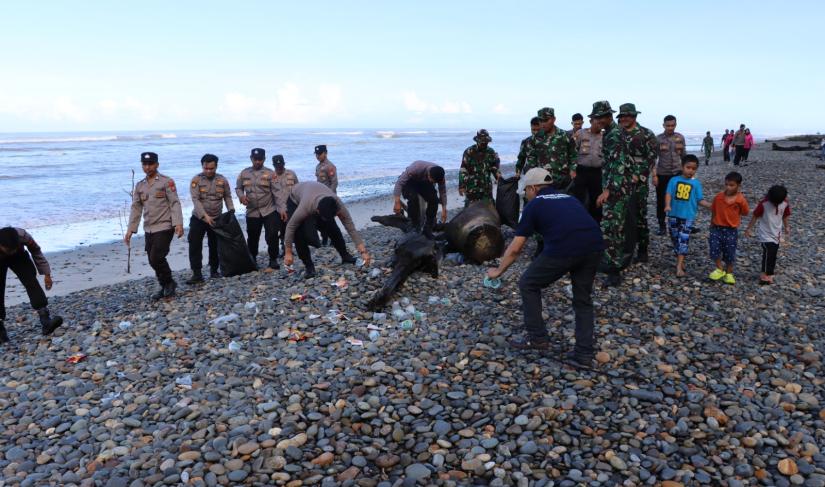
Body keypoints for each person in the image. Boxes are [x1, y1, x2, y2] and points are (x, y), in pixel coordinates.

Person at [486, 168, 604, 369]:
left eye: (526, 192)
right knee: (583, 300)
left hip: (564, 248)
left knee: (528, 284)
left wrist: (498, 271)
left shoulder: (535, 205)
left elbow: (515, 248)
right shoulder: (569, 198)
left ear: (533, 188)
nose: (526, 197)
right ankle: (584, 353)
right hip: (594, 246)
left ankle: (538, 338)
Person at [125, 152, 185, 299]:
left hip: (165, 226)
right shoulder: (140, 186)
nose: (147, 167)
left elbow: (175, 203)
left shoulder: (166, 182)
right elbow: (136, 208)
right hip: (149, 228)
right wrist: (130, 230)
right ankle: (165, 285)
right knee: (152, 259)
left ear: (157, 164)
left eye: (150, 164)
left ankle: (169, 283)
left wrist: (178, 223)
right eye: (144, 164)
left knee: (156, 257)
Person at [283, 182, 371, 278]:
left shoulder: (337, 204)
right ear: (317, 211)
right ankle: (309, 266)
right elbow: (290, 227)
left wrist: (363, 252)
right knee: (298, 234)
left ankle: (345, 256)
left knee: (332, 227)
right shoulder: (305, 207)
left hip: (314, 192)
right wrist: (288, 252)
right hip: (294, 199)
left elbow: (350, 227)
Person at [592, 100, 633, 287]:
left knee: (611, 228)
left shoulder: (614, 135)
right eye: (596, 117)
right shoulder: (610, 133)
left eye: (601, 117)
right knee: (614, 226)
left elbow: (618, 164)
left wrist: (607, 191)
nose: (598, 120)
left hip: (616, 189)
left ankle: (613, 270)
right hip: (616, 186)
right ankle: (613, 262)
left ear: (609, 116)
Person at [0, 227, 63, 343]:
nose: (11, 252)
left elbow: (36, 251)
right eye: (9, 250)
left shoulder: (23, 236)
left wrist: (47, 274)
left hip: (19, 257)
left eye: (13, 249)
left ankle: (46, 320)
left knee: (31, 281)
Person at [617, 103, 657, 264]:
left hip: (637, 183)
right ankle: (623, 248)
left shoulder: (646, 134)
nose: (625, 118)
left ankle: (642, 249)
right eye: (622, 116)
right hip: (618, 181)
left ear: (635, 116)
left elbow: (651, 158)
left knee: (639, 216)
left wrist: (638, 175)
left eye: (628, 115)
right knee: (620, 216)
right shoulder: (615, 133)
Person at [187, 153, 234, 283]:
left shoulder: (222, 180)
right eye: (206, 168)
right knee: (195, 244)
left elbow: (228, 196)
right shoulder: (196, 180)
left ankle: (214, 270)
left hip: (216, 218)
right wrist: (204, 216)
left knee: (215, 245)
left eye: (211, 169)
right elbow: (195, 200)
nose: (208, 171)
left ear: (216, 167)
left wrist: (231, 210)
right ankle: (197, 273)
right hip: (199, 218)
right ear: (202, 166)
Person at [235, 148, 284, 270]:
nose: (257, 162)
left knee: (272, 235)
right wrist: (241, 197)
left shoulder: (270, 173)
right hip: (252, 212)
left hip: (269, 209)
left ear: (264, 159)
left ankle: (273, 259)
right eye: (255, 159)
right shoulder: (244, 173)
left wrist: (282, 209)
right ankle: (253, 258)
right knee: (252, 237)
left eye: (260, 159)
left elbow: (277, 192)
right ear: (251, 158)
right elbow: (238, 188)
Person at [664, 155, 712, 277]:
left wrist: (711, 206)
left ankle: (679, 266)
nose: (690, 170)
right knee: (675, 238)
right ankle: (679, 257)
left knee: (683, 239)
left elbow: (700, 200)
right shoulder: (673, 180)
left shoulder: (696, 183)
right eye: (688, 167)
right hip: (673, 214)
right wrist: (667, 205)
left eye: (693, 168)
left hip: (688, 216)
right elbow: (668, 193)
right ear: (682, 166)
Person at [708, 172, 749, 285]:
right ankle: (719, 269)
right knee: (714, 248)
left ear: (738, 186)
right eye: (726, 184)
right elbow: (714, 211)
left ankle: (729, 273)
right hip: (716, 228)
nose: (728, 187)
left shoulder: (740, 200)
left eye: (731, 185)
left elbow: (745, 212)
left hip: (731, 230)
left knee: (730, 252)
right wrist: (711, 223)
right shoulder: (718, 197)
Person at [744, 185, 791, 285]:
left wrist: (787, 227)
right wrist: (749, 228)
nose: (775, 204)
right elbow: (755, 216)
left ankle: (769, 272)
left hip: (777, 233)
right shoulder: (764, 204)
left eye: (777, 203)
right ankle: (764, 274)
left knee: (773, 254)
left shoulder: (784, 203)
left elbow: (785, 216)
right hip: (765, 234)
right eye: (773, 202)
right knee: (768, 252)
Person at [523, 107, 577, 189]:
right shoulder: (534, 139)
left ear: (554, 119)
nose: (543, 124)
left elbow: (574, 155)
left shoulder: (565, 136)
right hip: (542, 181)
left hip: (563, 180)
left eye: (546, 120)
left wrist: (573, 170)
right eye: (541, 121)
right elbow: (531, 161)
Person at [393, 161, 447, 237]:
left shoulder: (440, 176)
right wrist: (397, 202)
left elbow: (443, 192)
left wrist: (444, 209)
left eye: (435, 182)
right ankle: (413, 226)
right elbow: (399, 183)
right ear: (428, 174)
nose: (433, 182)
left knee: (434, 200)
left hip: (424, 183)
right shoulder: (415, 168)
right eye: (432, 180)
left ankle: (428, 228)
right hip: (410, 182)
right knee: (413, 198)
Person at [654, 115, 687, 235]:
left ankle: (680, 224)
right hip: (662, 174)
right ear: (663, 125)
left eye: (672, 125)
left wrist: (688, 173)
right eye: (668, 125)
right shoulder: (658, 139)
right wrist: (654, 176)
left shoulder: (680, 138)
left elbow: (684, 156)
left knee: (680, 199)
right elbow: (653, 159)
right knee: (661, 201)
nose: (670, 128)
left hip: (677, 173)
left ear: (675, 125)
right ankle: (662, 226)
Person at [572, 117, 603, 221]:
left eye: (601, 122)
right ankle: (578, 220)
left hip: (597, 172)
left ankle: (595, 223)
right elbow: (572, 151)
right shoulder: (581, 133)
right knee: (579, 197)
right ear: (590, 121)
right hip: (581, 171)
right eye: (597, 121)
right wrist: (572, 169)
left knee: (596, 198)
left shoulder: (605, 136)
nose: (599, 123)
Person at [459, 129, 501, 206]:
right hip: (472, 188)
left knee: (488, 210)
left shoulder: (491, 152)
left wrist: (498, 177)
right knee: (470, 211)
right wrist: (462, 186)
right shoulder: (469, 152)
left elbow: (494, 167)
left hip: (486, 188)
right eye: (482, 143)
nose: (484, 144)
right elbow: (463, 169)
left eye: (486, 142)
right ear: (477, 141)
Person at [272, 154, 299, 257]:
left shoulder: (291, 174)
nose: (279, 167)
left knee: (292, 228)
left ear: (284, 164)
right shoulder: (271, 176)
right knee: (281, 229)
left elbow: (298, 187)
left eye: (281, 165)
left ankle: (291, 248)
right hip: (277, 208)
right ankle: (284, 248)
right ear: (273, 165)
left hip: (292, 206)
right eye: (277, 165)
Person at [314, 144, 338, 246]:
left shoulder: (330, 166)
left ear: (325, 153)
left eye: (320, 154)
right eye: (316, 154)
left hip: (328, 197)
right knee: (319, 219)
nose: (318, 156)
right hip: (320, 197)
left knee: (330, 219)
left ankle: (334, 238)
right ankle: (324, 237)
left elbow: (334, 182)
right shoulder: (318, 166)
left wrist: (330, 196)